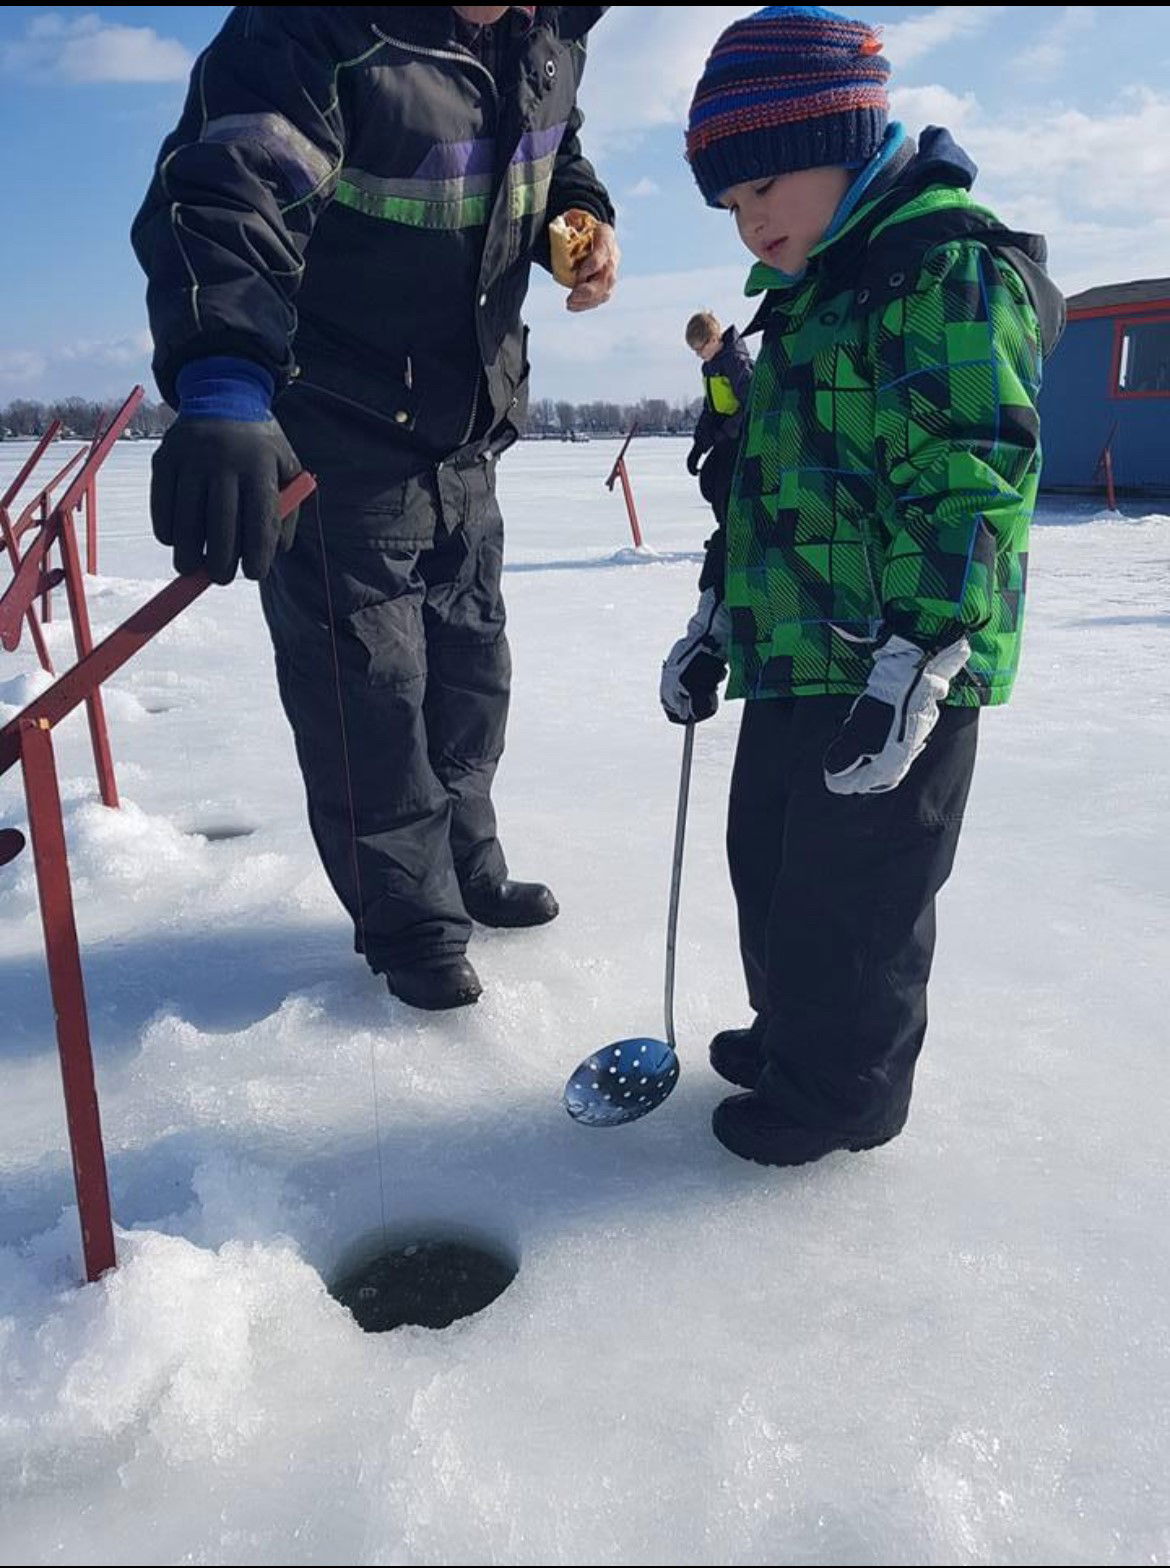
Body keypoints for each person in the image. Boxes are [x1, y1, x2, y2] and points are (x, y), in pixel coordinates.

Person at [131, 6, 619, 1012]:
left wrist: (583, 213)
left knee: (469, 679)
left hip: (465, 433)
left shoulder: (550, 35)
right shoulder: (310, 33)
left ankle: (467, 864)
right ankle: (411, 925)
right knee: (373, 699)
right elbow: (229, 189)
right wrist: (223, 378)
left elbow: (551, 142)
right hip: (337, 433)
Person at [660, 5, 1065, 1166]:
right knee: (773, 862)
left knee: (855, 896)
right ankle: (796, 1038)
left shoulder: (944, 274)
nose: (751, 222)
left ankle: (842, 1094)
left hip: (902, 666)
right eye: (732, 206)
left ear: (843, 137)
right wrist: (716, 616)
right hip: (799, 648)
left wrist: (923, 651)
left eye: (764, 187)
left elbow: (970, 473)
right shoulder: (809, 295)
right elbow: (769, 483)